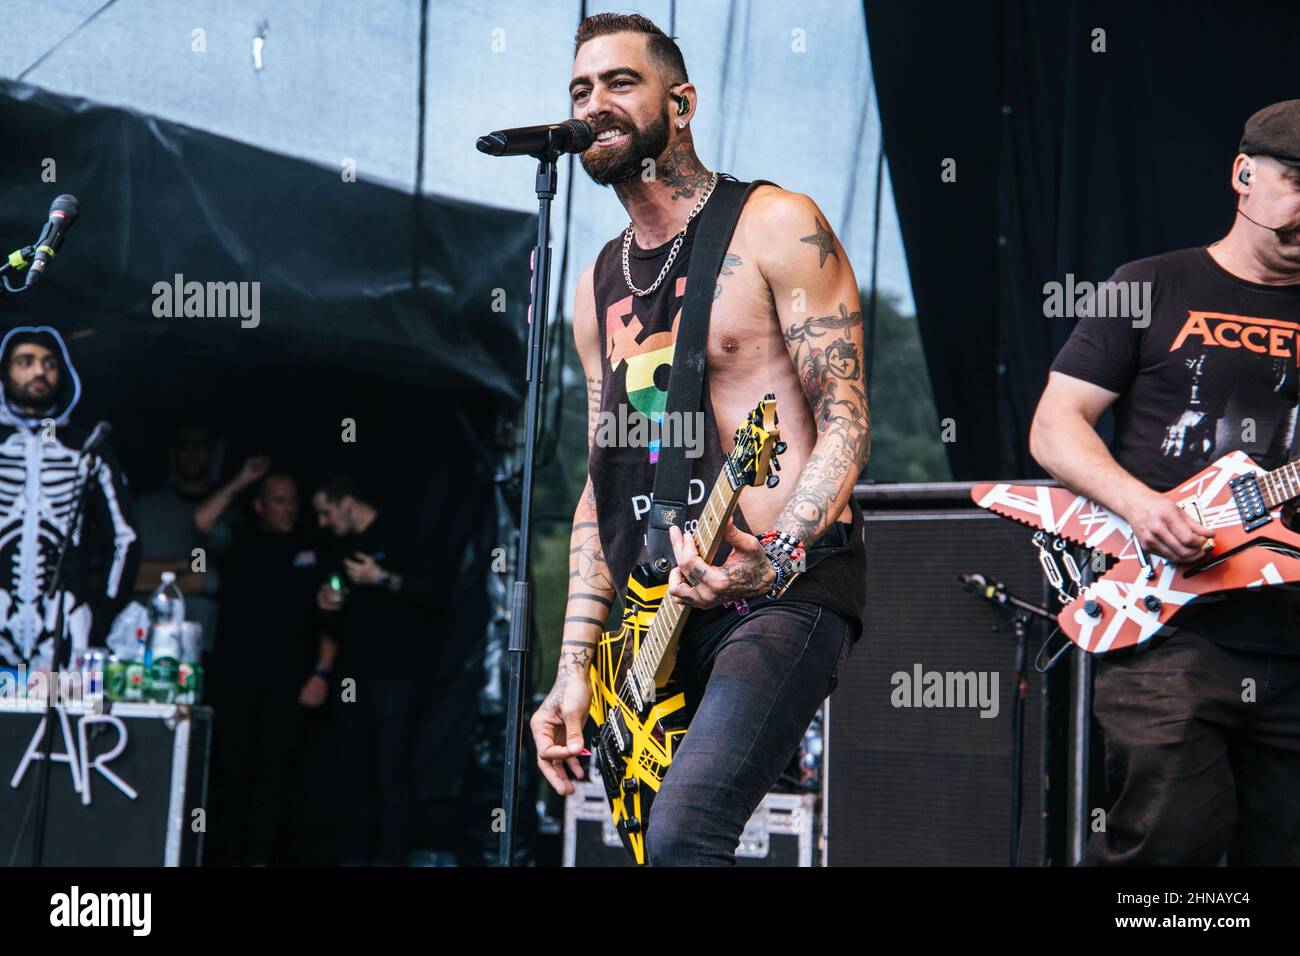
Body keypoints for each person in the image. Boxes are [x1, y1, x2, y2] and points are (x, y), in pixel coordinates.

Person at [529, 14, 871, 866]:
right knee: (652, 848)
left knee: (688, 834)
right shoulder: (595, 286)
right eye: (580, 89)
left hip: (778, 590)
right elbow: (598, 484)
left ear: (680, 103)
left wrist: (782, 552)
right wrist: (577, 664)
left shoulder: (776, 225)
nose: (593, 102)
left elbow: (846, 419)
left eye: (619, 83)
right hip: (654, 616)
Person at [1030, 100, 1300, 864]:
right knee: (1166, 850)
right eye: (1298, 181)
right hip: (1169, 628)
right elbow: (1056, 426)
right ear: (1245, 175)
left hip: (1293, 628)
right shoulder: (1147, 284)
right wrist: (1141, 507)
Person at [205, 469, 335, 866]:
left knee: (276, 779)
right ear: (260, 505)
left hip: (288, 684)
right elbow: (202, 521)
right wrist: (242, 479)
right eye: (279, 500)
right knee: (230, 774)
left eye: (293, 499)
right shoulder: (239, 539)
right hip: (234, 681)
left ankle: (262, 860)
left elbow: (332, 621)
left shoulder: (312, 548)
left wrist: (322, 672)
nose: (289, 508)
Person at [312, 475, 438, 866]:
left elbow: (434, 592)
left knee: (391, 773)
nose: (323, 522)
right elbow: (335, 621)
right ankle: (352, 858)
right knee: (351, 774)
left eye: (327, 512)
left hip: (397, 676)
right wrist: (328, 603)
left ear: (347, 502)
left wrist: (381, 578)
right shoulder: (340, 547)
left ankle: (392, 859)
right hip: (353, 678)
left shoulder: (402, 532)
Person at [0, 326, 139, 672]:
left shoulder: (88, 448)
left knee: (67, 722)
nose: (39, 372)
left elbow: (124, 538)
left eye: (49, 364)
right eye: (25, 362)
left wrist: (103, 612)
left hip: (65, 628)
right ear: (4, 372)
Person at [132, 425, 245, 657]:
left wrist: (157, 574)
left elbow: (206, 576)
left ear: (213, 455)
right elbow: (126, 575)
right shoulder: (145, 508)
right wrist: (183, 565)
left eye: (200, 446)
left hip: (202, 644)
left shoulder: (225, 513)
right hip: (142, 639)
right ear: (173, 453)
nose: (192, 453)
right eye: (185, 446)